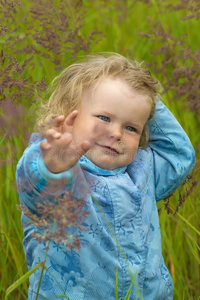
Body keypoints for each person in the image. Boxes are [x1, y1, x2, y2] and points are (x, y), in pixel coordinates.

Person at [16, 53, 196, 300]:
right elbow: (34, 186)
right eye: (104, 118)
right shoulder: (57, 164)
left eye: (131, 127)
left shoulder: (143, 169)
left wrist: (144, 93)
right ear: (70, 112)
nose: (117, 133)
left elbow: (179, 155)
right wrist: (53, 166)